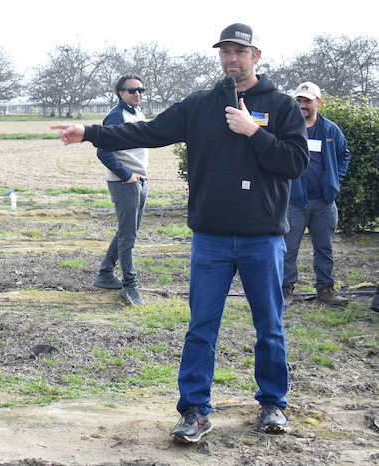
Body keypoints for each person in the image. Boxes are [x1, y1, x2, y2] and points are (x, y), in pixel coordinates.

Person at [51, 23, 308, 444]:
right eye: (225, 51)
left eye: (239, 51)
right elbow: (146, 132)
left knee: (270, 325)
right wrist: (90, 133)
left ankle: (273, 403)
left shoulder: (280, 106)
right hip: (210, 238)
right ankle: (195, 410)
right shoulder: (199, 105)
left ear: (256, 55)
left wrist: (254, 131)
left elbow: (296, 163)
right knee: (201, 326)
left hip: (262, 238)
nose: (231, 59)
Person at [282, 81, 351, 306]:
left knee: (324, 248)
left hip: (324, 202)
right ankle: (285, 289)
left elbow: (344, 155)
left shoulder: (330, 129)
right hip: (294, 202)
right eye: (299, 100)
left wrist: (335, 181)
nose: (302, 105)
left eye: (307, 101)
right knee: (288, 248)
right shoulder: (287, 129)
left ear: (318, 102)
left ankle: (325, 289)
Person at [93, 74, 149, 306]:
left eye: (141, 90)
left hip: (140, 180)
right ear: (121, 93)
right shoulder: (117, 116)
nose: (138, 94)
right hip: (125, 182)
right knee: (128, 236)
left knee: (127, 230)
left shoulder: (139, 114)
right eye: (132, 90)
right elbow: (102, 150)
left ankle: (106, 274)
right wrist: (127, 176)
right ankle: (129, 286)